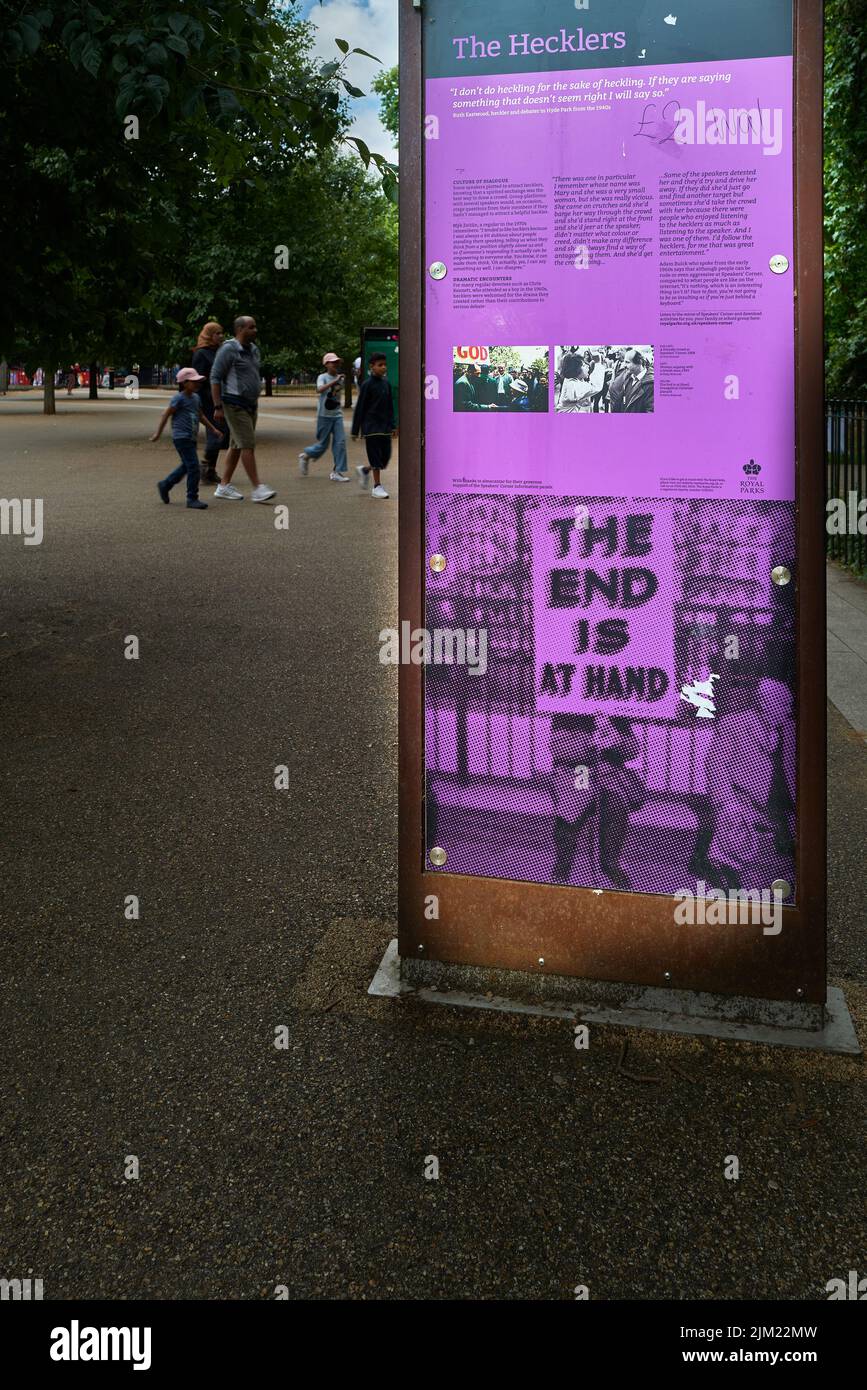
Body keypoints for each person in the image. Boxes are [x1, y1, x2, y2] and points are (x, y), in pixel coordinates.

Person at [701, 678, 796, 892]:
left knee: (779, 864)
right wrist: (726, 802)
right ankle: (731, 886)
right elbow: (716, 764)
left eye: (789, 705)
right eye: (783, 705)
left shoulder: (789, 728)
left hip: (780, 806)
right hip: (742, 799)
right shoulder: (734, 723)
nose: (788, 710)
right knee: (736, 854)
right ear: (764, 702)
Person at [210, 316, 275, 503]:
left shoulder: (254, 350)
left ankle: (223, 486)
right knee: (247, 443)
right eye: (251, 327)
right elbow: (215, 378)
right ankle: (257, 488)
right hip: (234, 404)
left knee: (237, 445)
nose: (255, 330)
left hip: (250, 404)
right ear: (240, 329)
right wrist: (217, 407)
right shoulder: (229, 349)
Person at [151, 367, 223, 509]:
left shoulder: (196, 398)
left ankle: (165, 485)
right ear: (184, 383)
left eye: (198, 381)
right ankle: (192, 498)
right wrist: (158, 434)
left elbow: (200, 416)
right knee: (194, 467)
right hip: (181, 437)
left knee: (186, 466)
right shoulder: (178, 398)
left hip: (191, 437)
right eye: (193, 381)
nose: (197, 384)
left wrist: (213, 429)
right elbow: (166, 415)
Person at [351, 351, 396, 499]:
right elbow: (360, 407)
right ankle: (377, 487)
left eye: (385, 365)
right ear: (372, 367)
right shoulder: (367, 385)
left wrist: (393, 425)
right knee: (376, 457)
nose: (384, 367)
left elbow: (390, 407)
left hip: (385, 428)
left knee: (385, 459)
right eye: (380, 365)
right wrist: (355, 429)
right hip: (371, 427)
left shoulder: (386, 384)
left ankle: (365, 470)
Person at [298, 353, 350, 480]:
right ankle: (306, 456)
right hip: (324, 415)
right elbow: (319, 389)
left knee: (341, 442)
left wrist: (338, 381)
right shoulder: (322, 377)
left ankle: (337, 472)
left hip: (337, 415)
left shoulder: (340, 378)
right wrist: (335, 381)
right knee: (323, 445)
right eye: (333, 362)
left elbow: (335, 394)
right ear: (326, 364)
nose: (336, 365)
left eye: (337, 362)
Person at [192, 321, 229, 485]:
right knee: (216, 434)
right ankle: (205, 468)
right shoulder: (201, 354)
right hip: (208, 400)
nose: (220, 336)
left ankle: (210, 469)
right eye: (217, 333)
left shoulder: (219, 352)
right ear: (209, 335)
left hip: (220, 398)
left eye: (221, 333)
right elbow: (198, 380)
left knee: (222, 434)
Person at [609, 349, 654, 413]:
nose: (624, 365)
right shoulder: (628, 377)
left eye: (627, 362)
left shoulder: (651, 385)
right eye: (624, 362)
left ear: (639, 362)